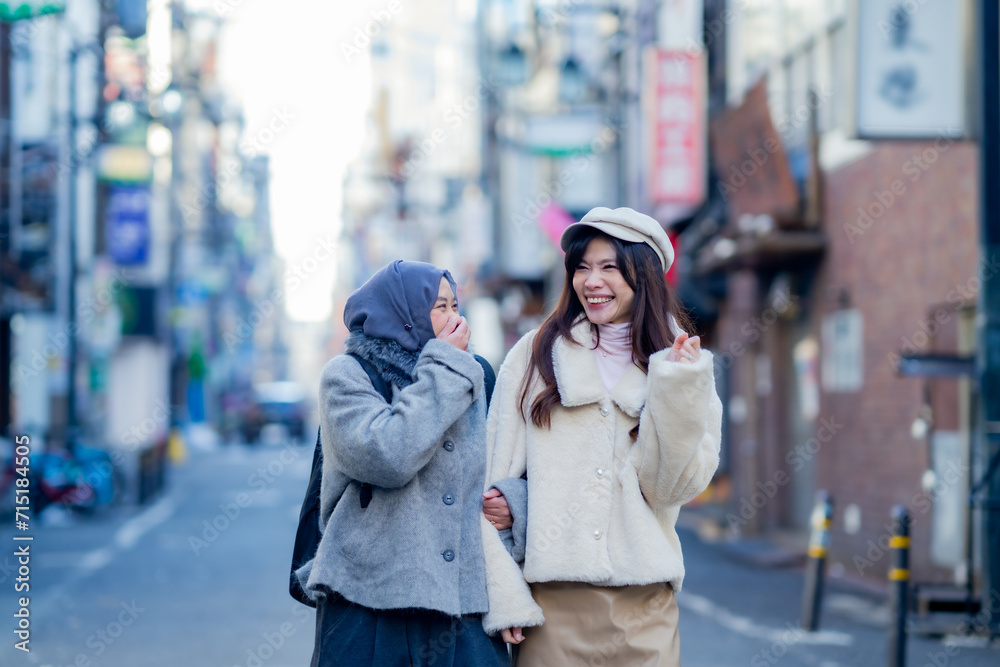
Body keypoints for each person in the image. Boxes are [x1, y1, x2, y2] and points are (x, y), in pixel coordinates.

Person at [479, 207, 723, 666]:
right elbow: (488, 489)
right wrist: (505, 595)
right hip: (550, 607)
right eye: (582, 268)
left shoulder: (684, 367)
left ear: (644, 275)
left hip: (645, 608)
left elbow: (671, 489)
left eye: (610, 267)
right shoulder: (534, 355)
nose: (592, 281)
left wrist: (673, 389)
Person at [297, 260, 509, 667]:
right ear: (403, 315)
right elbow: (388, 456)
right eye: (438, 307)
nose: (453, 318)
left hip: (463, 603)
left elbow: (509, 462)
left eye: (454, 306)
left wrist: (512, 499)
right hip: (368, 604)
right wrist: (444, 366)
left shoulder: (476, 374)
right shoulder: (347, 376)